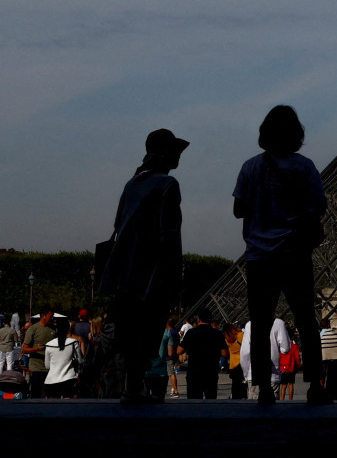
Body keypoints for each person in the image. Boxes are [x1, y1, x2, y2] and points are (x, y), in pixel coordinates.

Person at [234, 105, 331, 407]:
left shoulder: (250, 167)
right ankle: (315, 385)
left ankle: (264, 388)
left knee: (260, 325)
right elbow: (320, 206)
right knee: (306, 322)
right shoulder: (304, 167)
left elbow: (238, 209)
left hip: (259, 256)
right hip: (294, 252)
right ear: (296, 134)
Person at [98, 128, 187, 405]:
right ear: (163, 154)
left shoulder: (131, 183)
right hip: (152, 271)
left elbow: (118, 225)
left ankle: (130, 386)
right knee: (148, 326)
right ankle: (135, 387)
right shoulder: (167, 185)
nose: (178, 157)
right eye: (175, 151)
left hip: (126, 271)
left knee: (131, 329)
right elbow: (169, 235)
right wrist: (175, 275)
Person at [177, 308, 228, 399]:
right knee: (211, 400)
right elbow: (224, 353)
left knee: (194, 402)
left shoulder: (191, 333)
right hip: (211, 372)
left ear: (198, 319)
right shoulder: (217, 333)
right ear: (210, 320)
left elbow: (179, 351)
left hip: (194, 372)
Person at [43, 315, 82, 399]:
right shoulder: (73, 342)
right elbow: (80, 361)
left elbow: (47, 366)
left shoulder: (49, 344)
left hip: (51, 380)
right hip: (69, 379)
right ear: (68, 329)